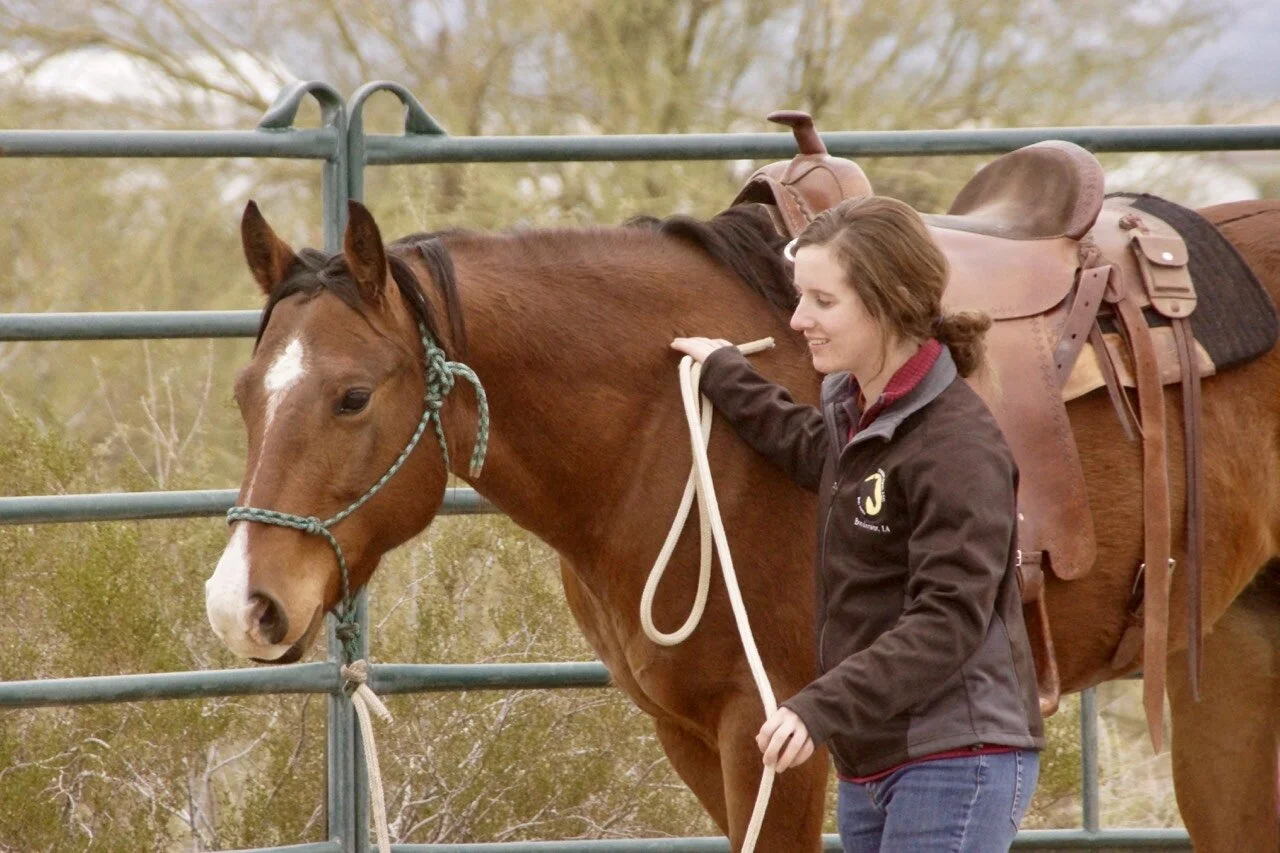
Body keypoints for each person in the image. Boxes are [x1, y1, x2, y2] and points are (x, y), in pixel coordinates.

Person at [671, 195, 1043, 852]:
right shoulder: (853, 402)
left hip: (957, 756)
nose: (797, 319)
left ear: (889, 299)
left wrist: (817, 708)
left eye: (822, 300)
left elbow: (948, 620)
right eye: (799, 297)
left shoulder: (957, 446)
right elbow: (819, 452)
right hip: (875, 757)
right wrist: (726, 373)